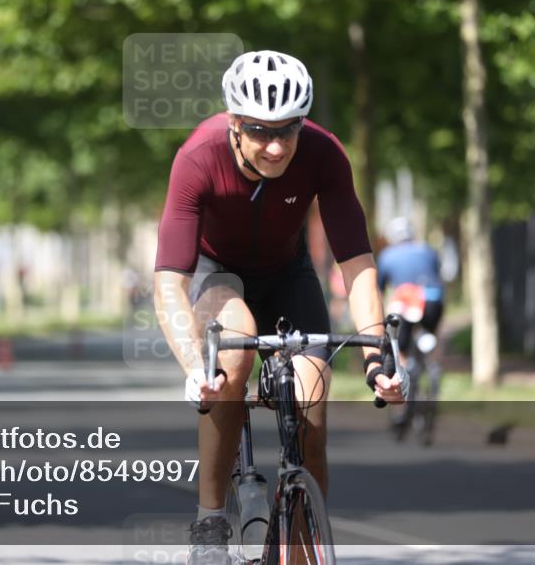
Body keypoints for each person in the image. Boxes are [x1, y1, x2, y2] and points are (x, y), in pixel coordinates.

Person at [153, 50, 403, 564]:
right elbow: (168, 282)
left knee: (313, 396)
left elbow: (356, 263)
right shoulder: (197, 158)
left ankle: (304, 540)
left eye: (287, 131)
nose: (274, 146)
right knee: (234, 354)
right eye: (259, 130)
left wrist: (378, 357)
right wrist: (192, 367)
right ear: (234, 124)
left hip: (288, 275)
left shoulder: (324, 154)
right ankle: (209, 524)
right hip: (217, 273)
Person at [377, 217, 444, 345]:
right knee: (432, 338)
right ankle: (433, 361)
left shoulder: (386, 256)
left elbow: (380, 289)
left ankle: (402, 360)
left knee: (399, 345)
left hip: (406, 304)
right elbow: (437, 276)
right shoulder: (428, 250)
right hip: (433, 302)